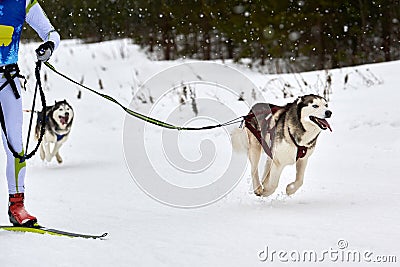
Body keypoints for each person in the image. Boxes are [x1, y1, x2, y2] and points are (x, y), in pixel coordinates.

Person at [0, 0, 60, 226]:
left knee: (16, 148)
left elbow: (52, 33)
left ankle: (17, 206)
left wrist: (49, 46)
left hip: (8, 82)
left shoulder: (23, 2)